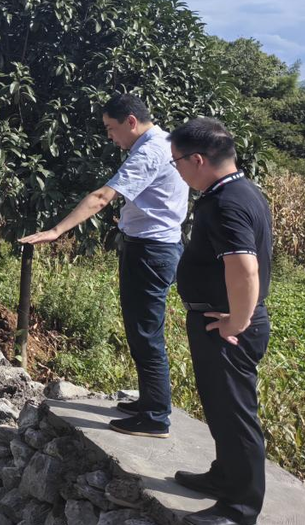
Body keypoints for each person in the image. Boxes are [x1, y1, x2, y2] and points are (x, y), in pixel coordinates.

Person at [19, 93, 188, 438]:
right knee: (141, 328)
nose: (110, 138)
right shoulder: (165, 142)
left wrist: (56, 230)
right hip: (155, 246)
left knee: (145, 331)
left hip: (151, 251)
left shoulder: (149, 151)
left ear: (130, 121)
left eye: (111, 129)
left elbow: (101, 197)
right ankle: (150, 402)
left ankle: (156, 416)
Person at [168, 118, 271, 525]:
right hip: (219, 320)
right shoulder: (234, 191)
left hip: (228, 327)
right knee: (219, 407)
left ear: (197, 159)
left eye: (177, 161)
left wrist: (238, 320)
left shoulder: (228, 202)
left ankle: (240, 506)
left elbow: (245, 269)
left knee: (235, 413)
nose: (176, 169)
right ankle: (223, 474)